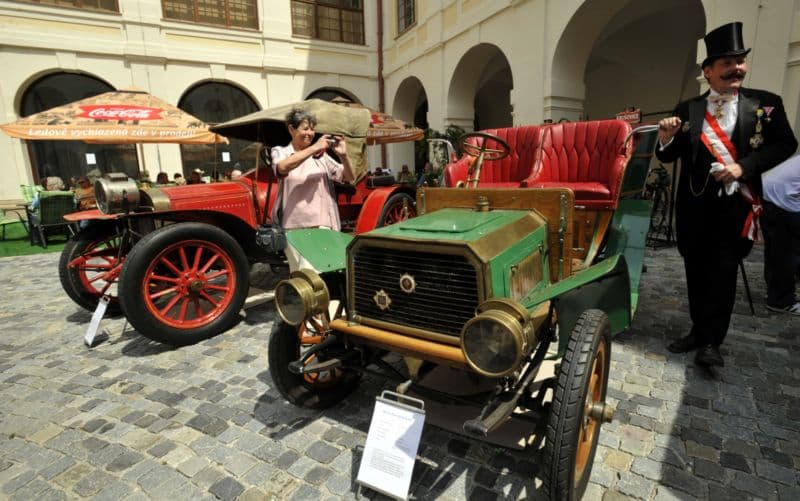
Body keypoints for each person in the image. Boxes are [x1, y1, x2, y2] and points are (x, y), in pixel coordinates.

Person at [656, 22, 797, 367]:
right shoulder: (688, 108)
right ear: (708, 71)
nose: (737, 69)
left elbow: (786, 144)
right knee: (695, 272)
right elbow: (669, 156)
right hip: (693, 207)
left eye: (740, 61)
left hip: (736, 208)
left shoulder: (767, 104)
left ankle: (712, 342)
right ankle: (697, 330)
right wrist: (664, 138)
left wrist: (743, 167)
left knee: (722, 275)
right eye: (728, 63)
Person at [271, 108, 354, 270]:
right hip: (292, 228)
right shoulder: (281, 152)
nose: (310, 133)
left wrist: (344, 155)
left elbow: (348, 177)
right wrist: (315, 148)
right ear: (291, 129)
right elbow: (282, 167)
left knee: (316, 273)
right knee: (299, 275)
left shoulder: (322, 157)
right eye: (305, 128)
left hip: (322, 226)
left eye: (312, 129)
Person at [761, 155, 800, 315]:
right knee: (788, 252)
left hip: (769, 196)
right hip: (782, 201)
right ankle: (780, 300)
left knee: (776, 250)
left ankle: (774, 291)